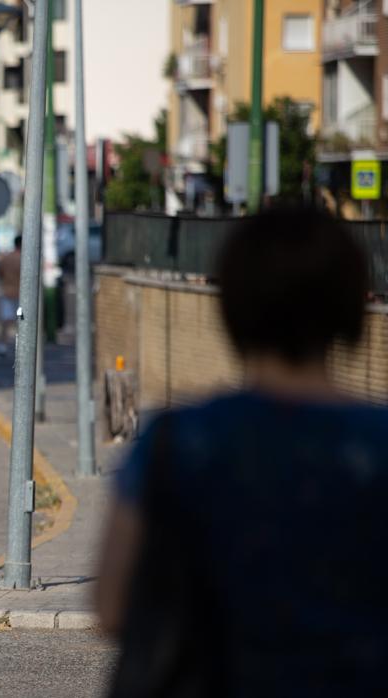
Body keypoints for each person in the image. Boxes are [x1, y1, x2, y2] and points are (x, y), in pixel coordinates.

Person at [97, 207, 388, 695]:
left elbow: (113, 604)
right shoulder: (377, 444)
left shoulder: (181, 441)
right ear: (350, 309)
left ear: (233, 306)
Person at [0, 235, 22, 356]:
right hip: (20, 295)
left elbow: (0, 273)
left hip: (7, 291)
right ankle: (21, 346)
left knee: (5, 321)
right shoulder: (24, 259)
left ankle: (2, 345)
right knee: (22, 321)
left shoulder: (6, 258)